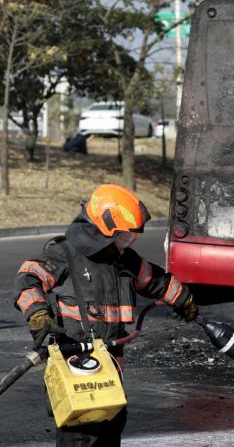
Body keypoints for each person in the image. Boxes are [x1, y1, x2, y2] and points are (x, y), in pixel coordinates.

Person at [12, 184, 199, 446]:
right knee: (81, 435)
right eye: (124, 236)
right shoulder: (65, 254)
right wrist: (37, 313)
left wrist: (184, 299)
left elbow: (156, 281)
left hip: (109, 367)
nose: (128, 242)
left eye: (131, 237)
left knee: (111, 429)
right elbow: (28, 278)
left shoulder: (124, 261)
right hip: (74, 366)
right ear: (103, 228)